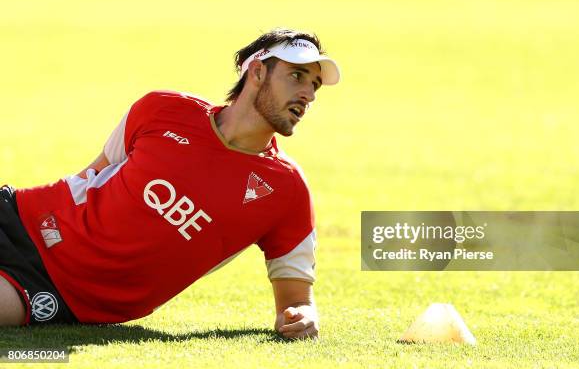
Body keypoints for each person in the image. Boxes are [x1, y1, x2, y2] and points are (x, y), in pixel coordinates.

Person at [0, 28, 340, 340]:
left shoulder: (287, 191)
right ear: (257, 72)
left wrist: (303, 316)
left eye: (314, 85)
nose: (307, 94)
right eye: (297, 76)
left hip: (59, 292)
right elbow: (91, 177)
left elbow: (297, 302)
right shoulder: (161, 109)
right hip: (22, 215)